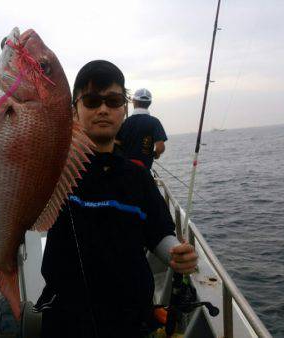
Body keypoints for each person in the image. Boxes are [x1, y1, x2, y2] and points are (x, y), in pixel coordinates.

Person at [35, 60, 197, 338]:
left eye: (113, 101)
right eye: (91, 101)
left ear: (124, 109)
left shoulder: (138, 176)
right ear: (74, 110)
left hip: (131, 321)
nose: (102, 109)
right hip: (65, 320)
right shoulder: (52, 169)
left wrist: (176, 254)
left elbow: (159, 233)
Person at [116, 88, 167, 169]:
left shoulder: (124, 123)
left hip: (125, 170)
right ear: (150, 103)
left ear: (134, 101)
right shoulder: (154, 122)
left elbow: (116, 143)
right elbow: (160, 147)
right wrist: (156, 154)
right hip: (144, 171)